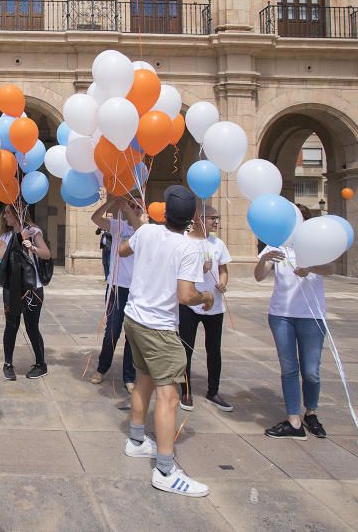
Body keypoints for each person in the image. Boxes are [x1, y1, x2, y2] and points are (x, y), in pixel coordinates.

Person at [121, 185, 213, 498]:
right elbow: (186, 295)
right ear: (191, 218)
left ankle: (136, 440)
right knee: (169, 397)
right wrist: (207, 296)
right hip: (160, 329)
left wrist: (142, 226)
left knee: (143, 379)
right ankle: (164, 469)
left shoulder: (146, 232)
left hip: (134, 319)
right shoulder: (190, 247)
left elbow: (122, 250)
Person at [254, 204, 334, 442]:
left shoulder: (313, 244)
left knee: (311, 370)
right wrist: (265, 259)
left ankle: (311, 411)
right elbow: (259, 276)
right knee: (289, 369)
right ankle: (294, 420)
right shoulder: (276, 244)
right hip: (281, 314)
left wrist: (309, 268)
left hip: (311, 316)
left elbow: (329, 268)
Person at [178, 205, 233, 413]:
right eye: (212, 218)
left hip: (215, 305)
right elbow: (178, 271)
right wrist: (201, 269)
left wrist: (223, 283)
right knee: (186, 349)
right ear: (199, 219)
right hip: (190, 303)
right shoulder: (184, 241)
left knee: (214, 349)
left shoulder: (218, 243)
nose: (216, 221)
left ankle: (213, 390)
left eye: (217, 218)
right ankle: (186, 390)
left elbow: (224, 270)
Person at [0, 203, 52, 380]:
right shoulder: (5, 235)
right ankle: (8, 364)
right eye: (4, 213)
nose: (5, 217)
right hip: (12, 288)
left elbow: (47, 254)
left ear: (16, 213)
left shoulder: (34, 231)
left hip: (32, 287)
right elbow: (1, 258)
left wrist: (33, 248)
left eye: (7, 213)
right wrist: (17, 239)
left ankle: (41, 364)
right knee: (11, 326)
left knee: (32, 326)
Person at [89, 196, 137, 392]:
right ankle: (102, 368)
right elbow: (95, 218)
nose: (133, 208)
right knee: (112, 330)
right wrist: (112, 203)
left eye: (136, 205)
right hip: (117, 286)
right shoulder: (119, 226)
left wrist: (132, 212)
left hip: (137, 289)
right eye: (131, 204)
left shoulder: (145, 229)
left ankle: (129, 376)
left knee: (133, 334)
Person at [97, 214, 113, 281]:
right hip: (104, 247)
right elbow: (97, 233)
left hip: (110, 247)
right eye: (108, 216)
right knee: (104, 262)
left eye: (110, 216)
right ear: (106, 217)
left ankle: (110, 278)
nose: (109, 217)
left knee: (109, 263)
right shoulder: (104, 224)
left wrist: (105, 233)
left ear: (112, 217)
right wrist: (99, 228)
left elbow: (112, 235)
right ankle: (106, 278)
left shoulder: (113, 225)